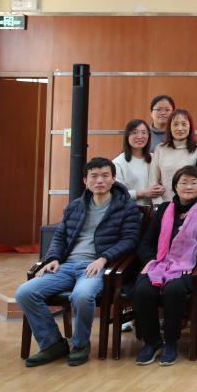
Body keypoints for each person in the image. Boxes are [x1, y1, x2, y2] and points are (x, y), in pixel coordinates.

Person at [16, 157, 141, 367]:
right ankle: (52, 343)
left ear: (113, 179)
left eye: (105, 176)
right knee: (25, 293)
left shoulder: (126, 208)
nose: (99, 180)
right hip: (67, 266)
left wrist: (104, 258)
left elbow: (130, 240)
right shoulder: (75, 206)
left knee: (82, 295)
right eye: (94, 176)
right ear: (85, 180)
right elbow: (60, 237)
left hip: (96, 266)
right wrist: (53, 258)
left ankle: (80, 344)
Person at [132, 166, 197, 366]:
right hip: (160, 264)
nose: (189, 187)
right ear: (175, 186)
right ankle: (152, 341)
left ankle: (171, 342)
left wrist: (193, 257)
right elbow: (147, 241)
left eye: (193, 182)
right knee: (142, 290)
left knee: (174, 290)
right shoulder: (165, 209)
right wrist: (149, 260)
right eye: (184, 182)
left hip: (190, 266)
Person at [149, 109, 197, 202]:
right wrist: (161, 206)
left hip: (192, 205)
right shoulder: (160, 149)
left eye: (184, 124)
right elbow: (153, 183)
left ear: (190, 126)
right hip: (165, 204)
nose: (180, 128)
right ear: (169, 127)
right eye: (175, 124)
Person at [113, 119, 164, 206]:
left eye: (144, 133)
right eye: (135, 133)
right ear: (127, 136)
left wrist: (162, 188)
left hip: (156, 209)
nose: (140, 136)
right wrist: (143, 193)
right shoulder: (118, 163)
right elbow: (117, 194)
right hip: (130, 210)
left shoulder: (155, 158)